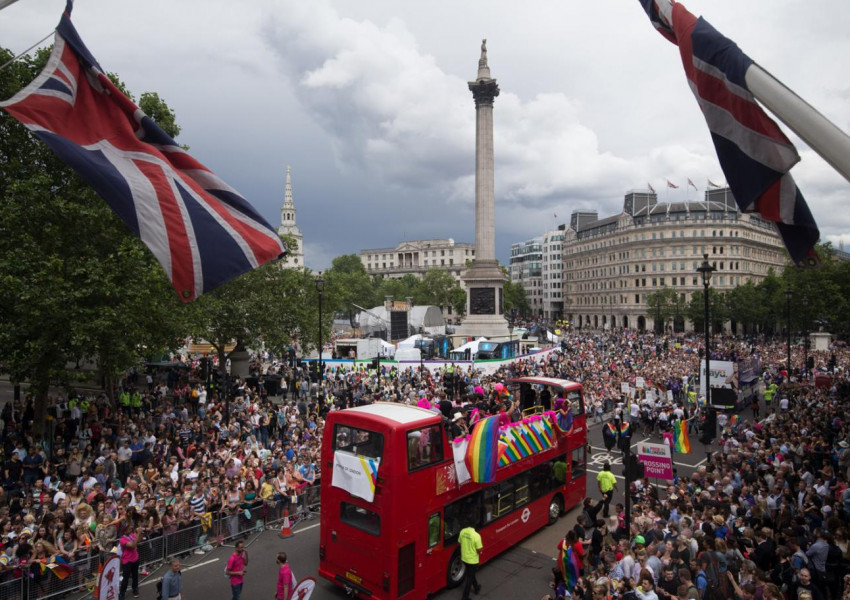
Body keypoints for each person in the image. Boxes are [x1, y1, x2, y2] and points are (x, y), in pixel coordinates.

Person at [458, 522, 483, 600]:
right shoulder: (476, 536)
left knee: (470, 574)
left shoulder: (462, 531)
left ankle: (476, 587)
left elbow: (459, 542)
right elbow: (479, 550)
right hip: (472, 561)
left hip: (464, 558)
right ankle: (465, 597)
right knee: (469, 578)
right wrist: (480, 552)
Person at [119, 527, 143, 600]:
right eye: (129, 529)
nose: (131, 530)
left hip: (135, 559)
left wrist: (140, 533)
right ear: (125, 531)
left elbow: (138, 540)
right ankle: (122, 593)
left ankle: (135, 588)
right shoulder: (122, 540)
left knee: (135, 575)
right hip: (127, 561)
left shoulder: (131, 535)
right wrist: (138, 533)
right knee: (125, 578)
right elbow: (133, 546)